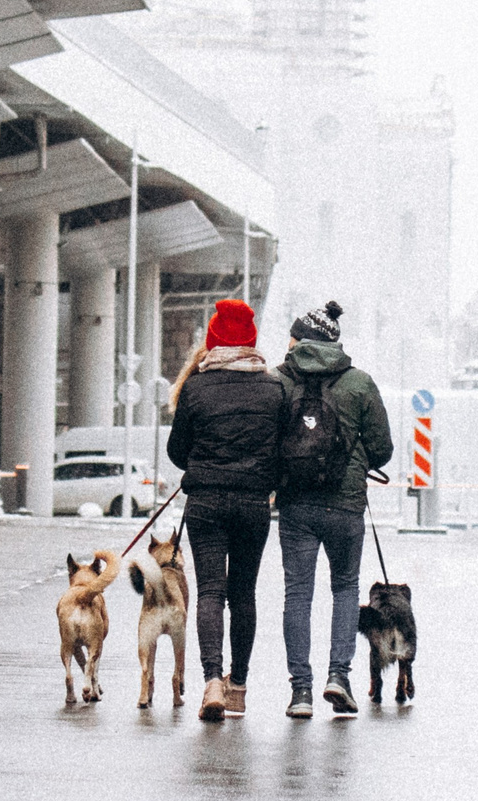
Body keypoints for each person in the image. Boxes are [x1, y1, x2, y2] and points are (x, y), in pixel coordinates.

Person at [164, 296, 288, 723]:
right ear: (251, 341)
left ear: (213, 340)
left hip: (207, 503)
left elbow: (177, 451)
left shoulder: (196, 386)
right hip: (254, 503)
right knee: (244, 594)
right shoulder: (274, 388)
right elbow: (281, 449)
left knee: (211, 592)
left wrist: (204, 462)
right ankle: (238, 686)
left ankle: (212, 679)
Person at [274, 300, 394, 718]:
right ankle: (338, 677)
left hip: (295, 505)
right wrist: (355, 453)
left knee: (298, 594)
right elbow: (383, 449)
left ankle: (301, 692)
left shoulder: (279, 380)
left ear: (302, 340)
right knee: (345, 589)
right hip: (345, 506)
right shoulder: (359, 383)